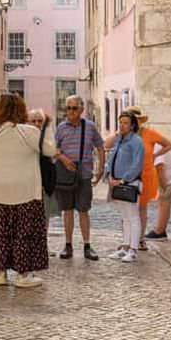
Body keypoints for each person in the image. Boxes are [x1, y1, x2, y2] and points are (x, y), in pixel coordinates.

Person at [0, 94, 58, 287]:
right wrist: (47, 128)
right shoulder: (29, 131)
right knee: (24, 233)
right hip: (24, 191)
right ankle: (23, 275)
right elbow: (49, 150)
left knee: (0, 232)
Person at [104, 106, 171, 250]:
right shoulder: (122, 136)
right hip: (125, 175)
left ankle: (139, 240)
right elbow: (107, 145)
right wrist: (118, 133)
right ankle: (127, 241)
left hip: (145, 175)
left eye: (137, 120)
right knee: (126, 209)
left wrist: (155, 155)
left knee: (141, 209)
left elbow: (169, 145)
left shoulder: (149, 134)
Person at [55, 95, 106, 260]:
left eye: (74, 108)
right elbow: (54, 150)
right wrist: (63, 159)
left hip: (84, 174)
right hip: (65, 176)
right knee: (67, 211)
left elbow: (100, 146)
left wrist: (100, 170)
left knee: (83, 210)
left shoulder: (90, 127)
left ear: (81, 110)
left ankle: (87, 245)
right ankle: (68, 245)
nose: (70, 111)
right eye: (68, 108)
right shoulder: (61, 128)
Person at [105, 112, 145, 263]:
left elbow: (137, 164)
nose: (122, 125)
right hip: (116, 182)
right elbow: (111, 157)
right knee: (125, 217)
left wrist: (123, 179)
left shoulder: (136, 141)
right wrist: (109, 175)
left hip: (130, 183)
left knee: (133, 216)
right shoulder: (119, 140)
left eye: (125, 123)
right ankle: (125, 246)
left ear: (132, 125)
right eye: (120, 122)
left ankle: (133, 250)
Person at [27, 108, 59, 223]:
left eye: (40, 121)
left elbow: (51, 150)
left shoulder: (46, 135)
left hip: (44, 183)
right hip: (29, 184)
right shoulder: (25, 137)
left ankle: (43, 240)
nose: (37, 124)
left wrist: (48, 127)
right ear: (27, 122)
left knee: (45, 216)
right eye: (33, 121)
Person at [146, 143, 171, 240]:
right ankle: (160, 229)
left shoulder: (158, 147)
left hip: (168, 181)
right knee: (164, 204)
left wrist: (163, 186)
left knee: (164, 204)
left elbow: (159, 168)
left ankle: (159, 231)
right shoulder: (161, 145)